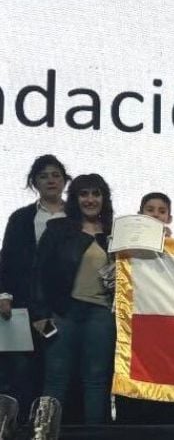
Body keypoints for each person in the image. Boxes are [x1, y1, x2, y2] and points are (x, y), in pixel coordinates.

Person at [30, 174, 116, 424]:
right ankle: (43, 432)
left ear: (104, 198)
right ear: (75, 198)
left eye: (96, 193)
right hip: (62, 313)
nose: (90, 199)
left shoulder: (116, 234)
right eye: (84, 194)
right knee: (56, 377)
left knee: (97, 379)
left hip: (100, 315)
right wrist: (40, 316)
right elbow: (39, 273)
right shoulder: (58, 229)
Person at [0, 154, 71, 423]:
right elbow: (8, 259)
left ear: (64, 181)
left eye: (56, 175)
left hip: (63, 305)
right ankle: (15, 427)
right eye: (44, 176)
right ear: (34, 183)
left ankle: (50, 425)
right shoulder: (21, 217)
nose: (51, 180)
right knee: (21, 369)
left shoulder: (75, 214)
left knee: (55, 369)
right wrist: (4, 295)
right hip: (23, 304)